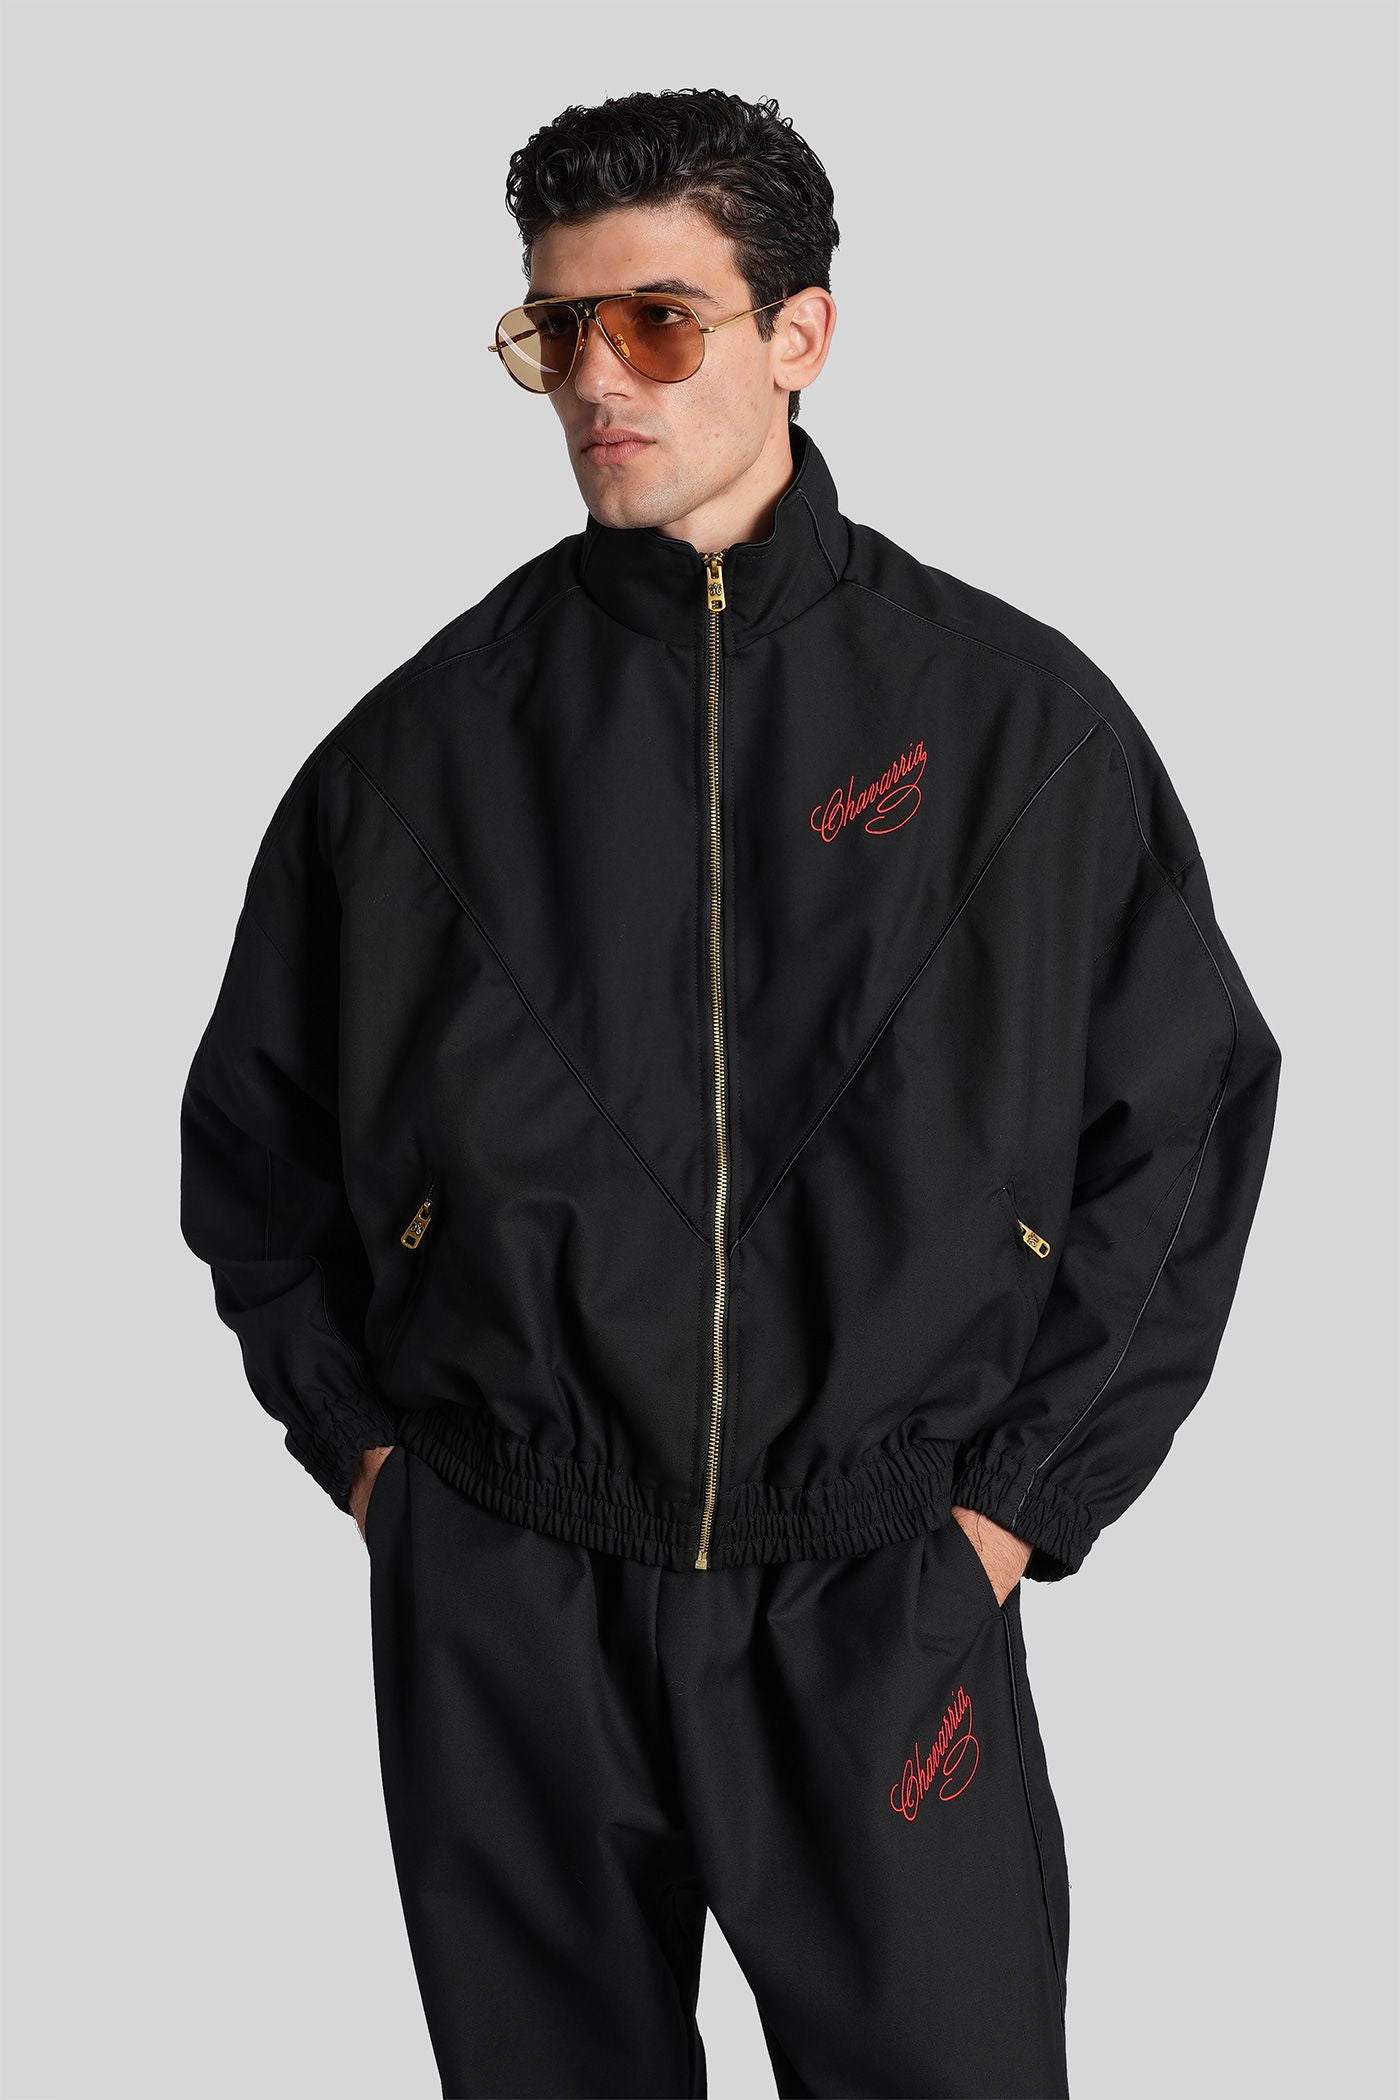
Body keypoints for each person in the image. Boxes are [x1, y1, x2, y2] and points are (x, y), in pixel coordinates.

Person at [179, 87, 1282, 2100]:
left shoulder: (1013, 727)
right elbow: (256, 1151)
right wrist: (379, 1472)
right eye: (556, 330)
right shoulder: (417, 757)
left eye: (657, 322)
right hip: (510, 1587)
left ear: (799, 336)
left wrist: (1012, 1509)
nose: (597, 381)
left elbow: (1188, 1115)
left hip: (881, 1582)